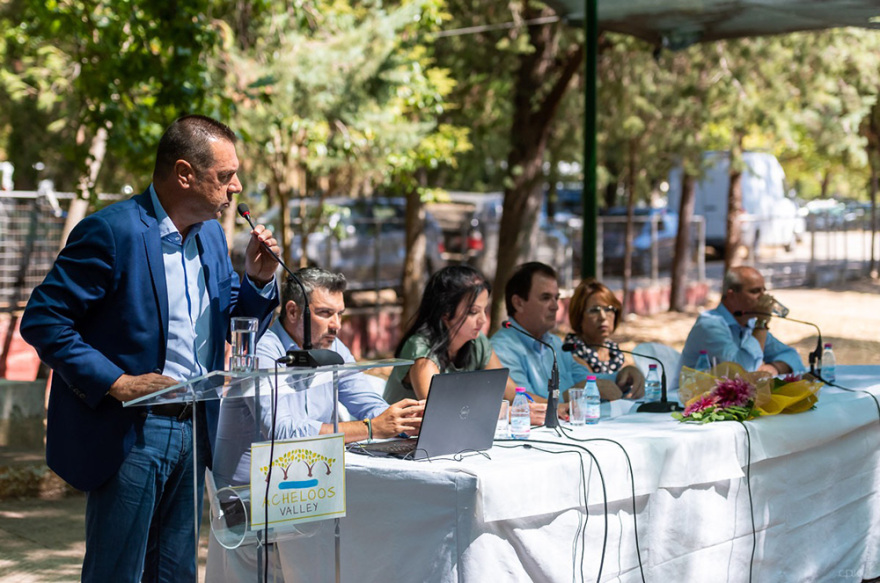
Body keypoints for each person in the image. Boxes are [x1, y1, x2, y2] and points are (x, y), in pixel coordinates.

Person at [19, 115, 279, 583]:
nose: (236, 187)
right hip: (133, 431)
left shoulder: (213, 240)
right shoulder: (112, 232)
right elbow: (43, 321)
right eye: (225, 176)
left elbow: (234, 325)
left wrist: (258, 282)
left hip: (195, 426)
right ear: (184, 174)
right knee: (117, 572)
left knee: (176, 573)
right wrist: (117, 383)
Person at [207, 267, 424, 582]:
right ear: (293, 311)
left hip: (310, 492)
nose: (336, 324)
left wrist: (405, 419)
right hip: (250, 503)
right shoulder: (261, 351)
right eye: (325, 313)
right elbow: (283, 433)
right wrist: (372, 428)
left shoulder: (333, 348)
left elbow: (368, 403)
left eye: (340, 314)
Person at [490, 262, 644, 402]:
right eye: (545, 298)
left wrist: (622, 377)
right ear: (518, 303)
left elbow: (587, 380)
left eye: (556, 298)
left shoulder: (554, 343)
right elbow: (523, 403)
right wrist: (577, 393)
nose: (555, 306)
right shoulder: (502, 349)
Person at [383, 264, 517, 404]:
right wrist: (506, 412)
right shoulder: (421, 349)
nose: (483, 320)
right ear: (446, 312)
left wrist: (533, 407)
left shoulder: (477, 342)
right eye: (473, 312)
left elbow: (511, 394)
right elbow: (439, 411)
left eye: (484, 310)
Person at [680, 265, 804, 374]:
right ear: (731, 295)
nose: (764, 297)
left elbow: (792, 356)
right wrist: (761, 323)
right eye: (755, 291)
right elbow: (742, 372)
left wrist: (774, 368)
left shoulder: (748, 323)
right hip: (688, 398)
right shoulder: (709, 325)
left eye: (764, 290)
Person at [564, 278, 645, 399]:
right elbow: (593, 387)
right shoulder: (573, 348)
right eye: (594, 310)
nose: (603, 317)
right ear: (579, 316)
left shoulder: (611, 347)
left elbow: (626, 376)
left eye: (609, 309)